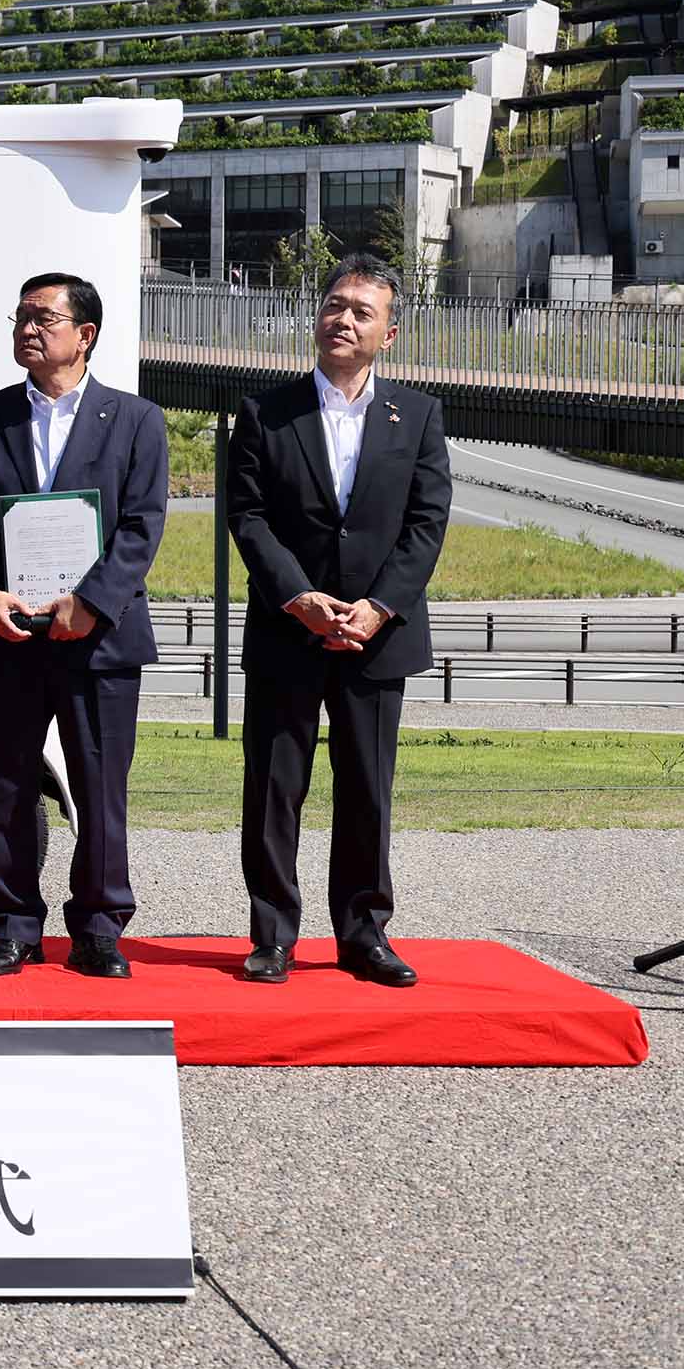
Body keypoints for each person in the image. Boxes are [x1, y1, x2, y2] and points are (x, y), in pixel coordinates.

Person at [229, 252, 451, 987]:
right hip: (287, 630)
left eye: (362, 310)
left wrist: (379, 607)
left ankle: (364, 935)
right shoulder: (265, 412)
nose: (342, 319)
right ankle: (273, 936)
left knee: (366, 790)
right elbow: (250, 517)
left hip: (375, 638)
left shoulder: (416, 415)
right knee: (272, 790)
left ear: (389, 333)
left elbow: (426, 522)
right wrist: (298, 596)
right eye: (334, 305)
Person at [0, 274, 168, 980]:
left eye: (44, 317)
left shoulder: (135, 420)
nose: (28, 329)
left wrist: (90, 601)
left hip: (98, 638)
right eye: (22, 317)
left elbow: (142, 526)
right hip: (7, 635)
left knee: (101, 786)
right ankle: (11, 926)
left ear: (85, 335)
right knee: (7, 782)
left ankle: (100, 927)